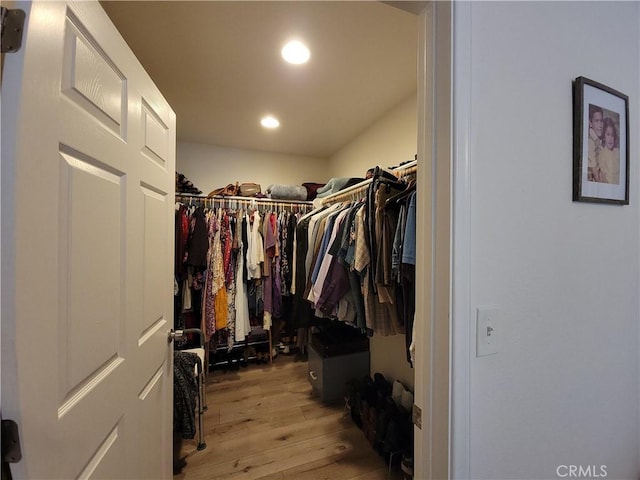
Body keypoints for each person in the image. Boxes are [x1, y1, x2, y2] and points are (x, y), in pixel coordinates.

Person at [597, 117, 620, 184]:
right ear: (604, 137)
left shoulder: (617, 151)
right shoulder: (603, 154)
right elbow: (603, 176)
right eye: (608, 134)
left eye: (612, 135)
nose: (610, 138)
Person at [587, 104, 604, 181]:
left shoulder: (597, 140)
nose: (600, 125)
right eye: (597, 121)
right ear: (590, 123)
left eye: (601, 121)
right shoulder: (590, 142)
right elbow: (594, 170)